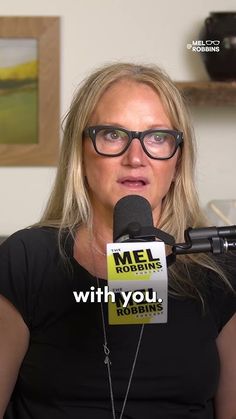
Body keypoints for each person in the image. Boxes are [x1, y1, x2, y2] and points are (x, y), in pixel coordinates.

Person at [0, 62, 235, 419]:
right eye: (113, 134)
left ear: (178, 159)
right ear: (80, 153)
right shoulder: (26, 259)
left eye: (157, 137)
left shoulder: (218, 272)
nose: (135, 158)